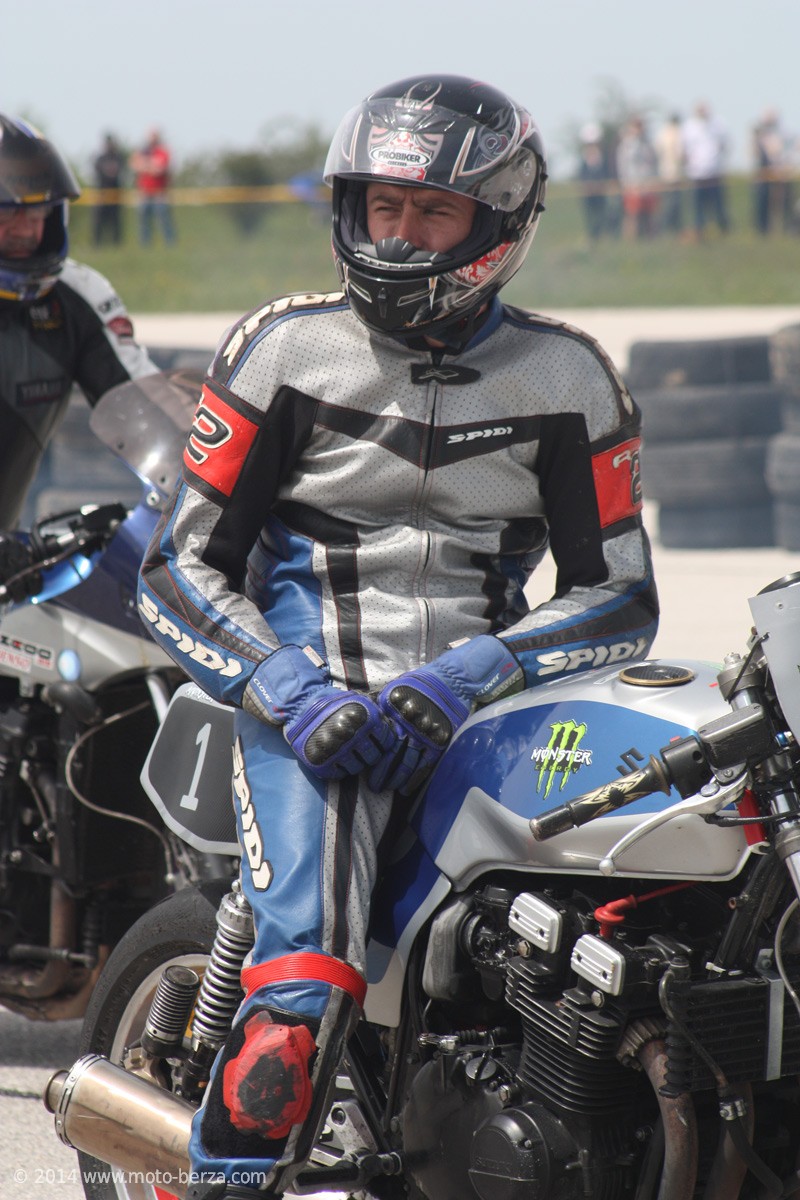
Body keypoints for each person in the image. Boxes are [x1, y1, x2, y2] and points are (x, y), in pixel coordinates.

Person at [137, 73, 659, 1199]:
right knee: (299, 994)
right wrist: (290, 690)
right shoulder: (283, 348)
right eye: (383, 205)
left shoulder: (569, 375)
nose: (399, 234)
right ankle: (230, 1177)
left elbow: (619, 596)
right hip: (309, 707)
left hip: (483, 707)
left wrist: (473, 675)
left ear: (498, 224)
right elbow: (177, 571)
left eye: (432, 211)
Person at [0, 115, 159, 529]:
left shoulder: (76, 296)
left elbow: (152, 412)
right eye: (8, 213)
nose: (26, 229)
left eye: (38, 211)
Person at [681, 102, 730, 238]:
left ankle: (723, 229)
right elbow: (684, 150)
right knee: (698, 206)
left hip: (714, 172)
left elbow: (724, 145)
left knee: (718, 205)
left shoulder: (718, 124)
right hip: (696, 173)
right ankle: (699, 230)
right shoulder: (689, 126)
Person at [130, 128, 176, 245]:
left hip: (160, 193)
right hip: (144, 192)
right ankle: (145, 244)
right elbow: (134, 166)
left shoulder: (163, 151)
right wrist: (151, 165)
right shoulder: (142, 151)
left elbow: (160, 170)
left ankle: (170, 243)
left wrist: (145, 165)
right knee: (143, 220)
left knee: (164, 219)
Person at [615, 116, 659, 239]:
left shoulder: (648, 144)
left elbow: (654, 163)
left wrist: (654, 181)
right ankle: (631, 240)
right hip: (632, 184)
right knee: (632, 214)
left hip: (648, 184)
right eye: (636, 126)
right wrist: (625, 184)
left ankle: (650, 239)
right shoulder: (626, 145)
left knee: (649, 214)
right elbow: (622, 166)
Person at [752, 108, 793, 235]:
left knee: (786, 201)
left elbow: (786, 152)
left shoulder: (783, 133)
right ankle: (763, 228)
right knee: (762, 200)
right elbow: (756, 154)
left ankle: (788, 227)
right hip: (765, 174)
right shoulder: (761, 135)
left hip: (781, 173)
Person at [575, 121, 618, 241]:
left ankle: (600, 235)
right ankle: (592, 236)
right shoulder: (584, 157)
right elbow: (582, 174)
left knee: (602, 214)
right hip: (588, 193)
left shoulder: (603, 157)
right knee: (590, 215)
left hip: (600, 192)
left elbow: (606, 172)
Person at [654, 113, 686, 235]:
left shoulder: (663, 133)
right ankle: (668, 226)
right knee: (670, 203)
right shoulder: (674, 133)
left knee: (672, 202)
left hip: (669, 173)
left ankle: (672, 226)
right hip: (670, 173)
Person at [91, 132, 126, 246]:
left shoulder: (118, 157)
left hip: (115, 194)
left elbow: (120, 171)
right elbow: (97, 171)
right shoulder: (101, 158)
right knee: (98, 221)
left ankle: (116, 244)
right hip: (102, 193)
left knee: (116, 221)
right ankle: (97, 244)